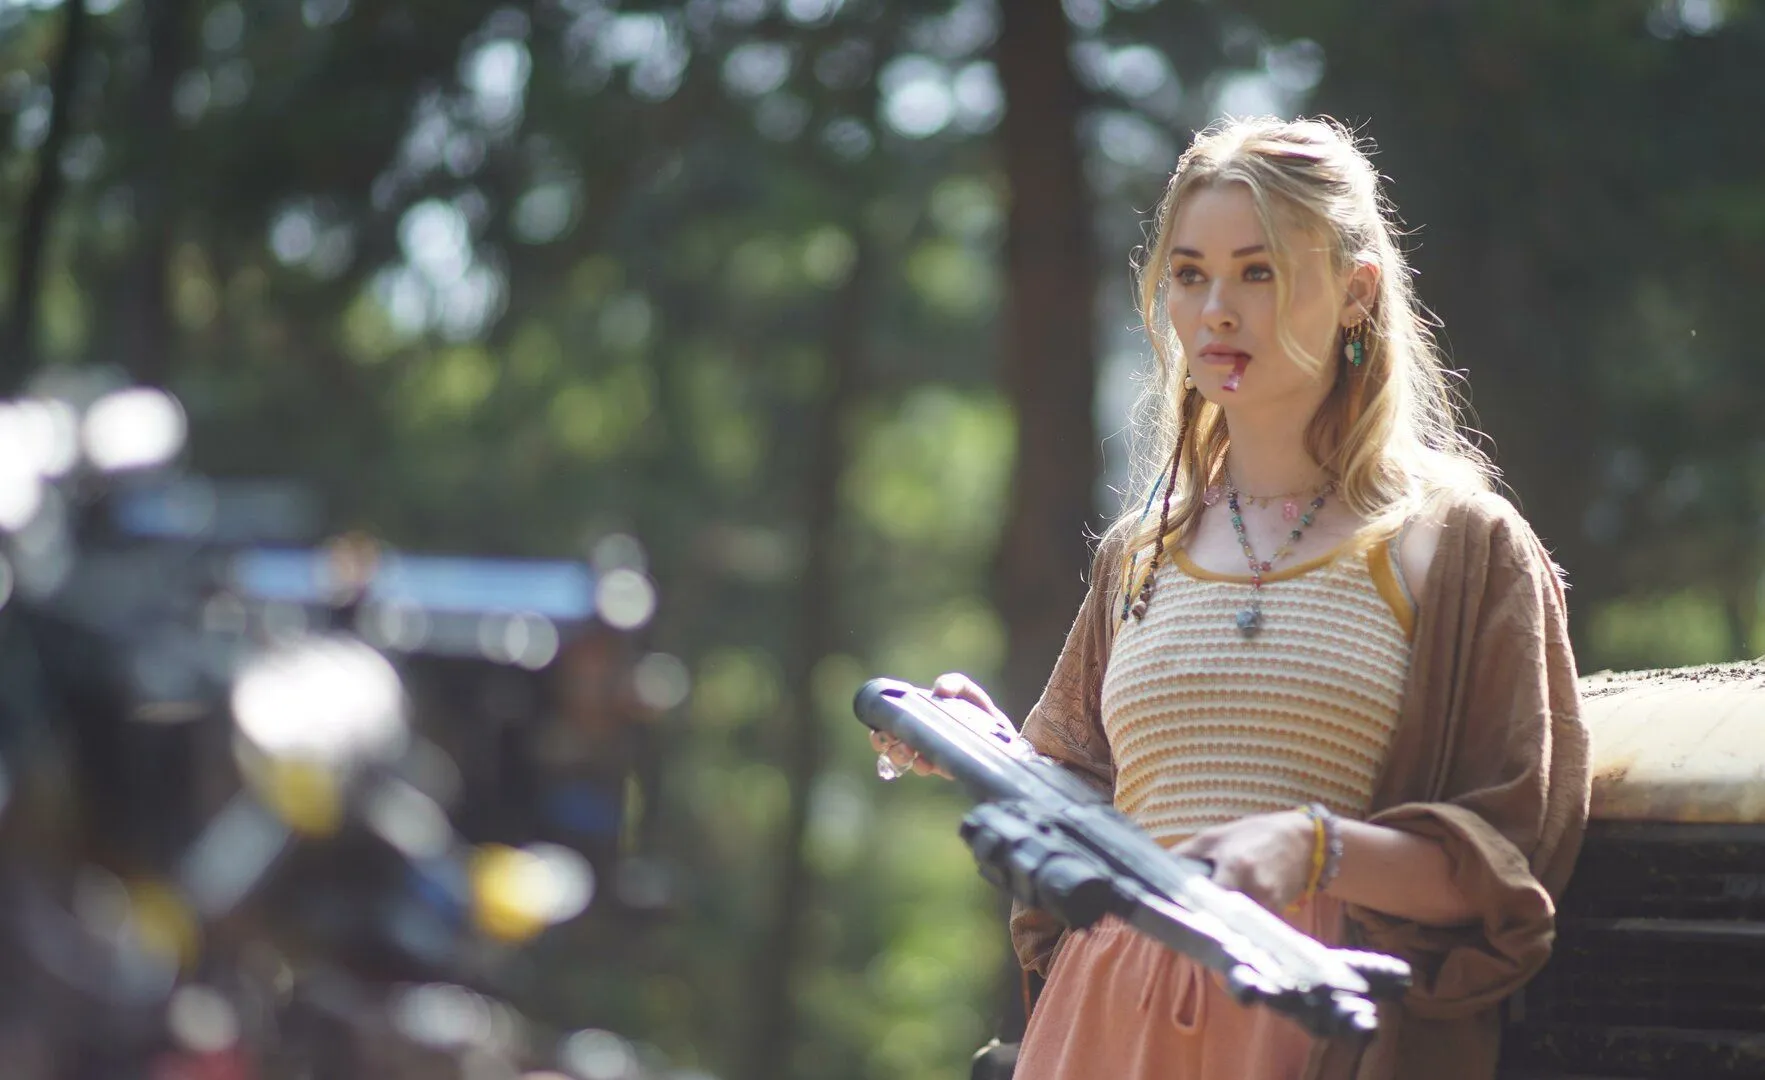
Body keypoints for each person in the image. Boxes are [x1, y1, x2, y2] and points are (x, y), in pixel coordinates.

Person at [871, 116, 1590, 1080]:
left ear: (1356, 290)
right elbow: (1092, 819)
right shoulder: (1138, 553)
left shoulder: (1457, 546)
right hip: (1104, 1017)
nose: (1215, 310)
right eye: (1189, 273)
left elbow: (1504, 869)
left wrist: (1313, 847)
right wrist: (998, 757)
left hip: (1309, 1018)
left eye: (1258, 272)